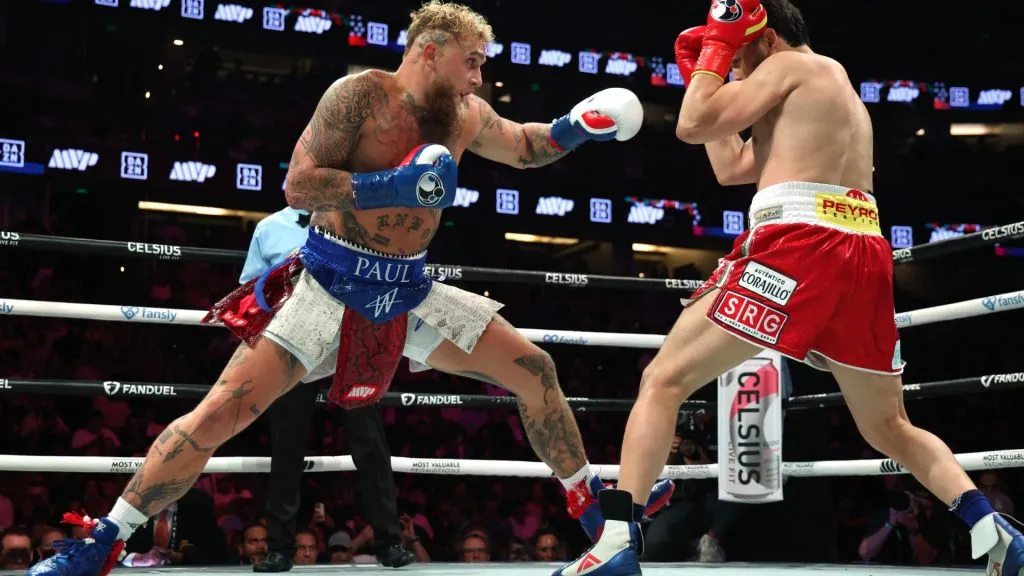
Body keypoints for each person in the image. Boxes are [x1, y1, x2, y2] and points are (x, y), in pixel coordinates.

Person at [28, 3, 671, 575]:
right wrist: (386, 188)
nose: (478, 77)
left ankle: (596, 517)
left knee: (536, 370)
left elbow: (527, 148)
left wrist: (579, 125)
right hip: (330, 283)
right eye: (471, 62)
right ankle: (105, 541)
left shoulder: (466, 115)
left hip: (410, 289)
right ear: (431, 50)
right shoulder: (357, 97)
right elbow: (298, 187)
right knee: (216, 416)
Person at [555, 0, 1024, 574]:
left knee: (662, 379)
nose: (737, 67)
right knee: (888, 426)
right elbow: (730, 167)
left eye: (738, 49)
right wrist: (707, 73)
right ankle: (991, 525)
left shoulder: (790, 65)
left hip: (799, 243)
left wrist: (713, 57)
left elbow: (690, 122)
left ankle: (617, 542)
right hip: (861, 254)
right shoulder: (825, 90)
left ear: (765, 36)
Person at [240, 207, 413, 572]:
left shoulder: (358, 221)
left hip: (352, 344)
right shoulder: (270, 229)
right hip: (294, 343)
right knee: (286, 448)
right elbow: (251, 290)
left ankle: (389, 543)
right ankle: (279, 550)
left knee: (370, 445)